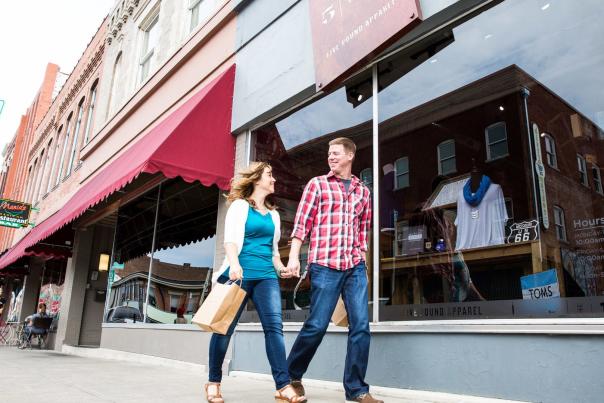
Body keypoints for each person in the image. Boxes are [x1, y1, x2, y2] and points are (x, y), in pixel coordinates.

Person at [285, 137, 382, 403]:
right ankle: (291, 376)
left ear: (350, 155)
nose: (331, 157)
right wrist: (294, 257)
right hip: (324, 265)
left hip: (354, 267)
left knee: (361, 326)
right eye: (329, 153)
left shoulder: (364, 192)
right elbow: (302, 224)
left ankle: (357, 389)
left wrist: (362, 255)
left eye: (336, 153)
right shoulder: (318, 185)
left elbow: (364, 229)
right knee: (317, 325)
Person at [204, 162, 305, 403]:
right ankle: (214, 381)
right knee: (224, 327)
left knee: (274, 329)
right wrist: (234, 263)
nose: (274, 180)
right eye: (270, 175)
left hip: (266, 277)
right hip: (239, 274)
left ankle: (283, 385)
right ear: (257, 178)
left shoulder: (273, 214)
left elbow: (273, 252)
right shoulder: (239, 206)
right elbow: (230, 241)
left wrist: (282, 269)